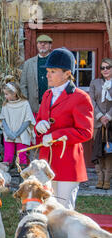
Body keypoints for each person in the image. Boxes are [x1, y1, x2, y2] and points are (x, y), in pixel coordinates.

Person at [35, 48, 94, 209]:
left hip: (68, 162)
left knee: (63, 211)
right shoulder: (47, 94)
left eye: (53, 71)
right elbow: (40, 120)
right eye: (47, 71)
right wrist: (38, 127)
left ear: (67, 73)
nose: (48, 75)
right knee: (45, 208)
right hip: (46, 162)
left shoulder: (80, 97)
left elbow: (86, 132)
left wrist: (56, 135)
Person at [0, 81, 36, 170]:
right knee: (8, 155)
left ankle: (22, 177)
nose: (5, 96)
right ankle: (5, 177)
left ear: (14, 93)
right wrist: (8, 132)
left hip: (22, 133)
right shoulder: (6, 104)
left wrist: (18, 133)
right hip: (9, 133)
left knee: (21, 155)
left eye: (7, 94)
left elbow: (28, 120)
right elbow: (2, 119)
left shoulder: (24, 104)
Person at [90, 58, 112, 190]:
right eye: (102, 68)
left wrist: (108, 116)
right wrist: (100, 116)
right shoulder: (95, 83)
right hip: (97, 123)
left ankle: (107, 179)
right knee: (98, 150)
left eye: (108, 67)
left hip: (111, 124)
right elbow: (91, 100)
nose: (105, 70)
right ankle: (99, 178)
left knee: (109, 151)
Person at [20, 34, 53, 116]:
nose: (42, 45)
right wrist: (26, 103)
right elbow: (23, 85)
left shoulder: (55, 62)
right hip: (33, 106)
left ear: (50, 46)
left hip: (52, 105)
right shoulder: (28, 63)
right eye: (40, 43)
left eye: (45, 43)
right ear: (37, 45)